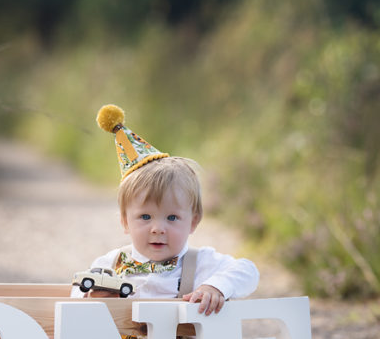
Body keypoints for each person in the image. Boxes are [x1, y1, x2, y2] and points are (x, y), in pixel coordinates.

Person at [71, 104, 259, 316]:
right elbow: (75, 293)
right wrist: (90, 298)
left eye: (172, 217)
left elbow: (248, 271)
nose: (158, 228)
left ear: (193, 222)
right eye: (145, 217)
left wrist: (216, 286)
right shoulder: (110, 263)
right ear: (125, 221)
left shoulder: (199, 263)